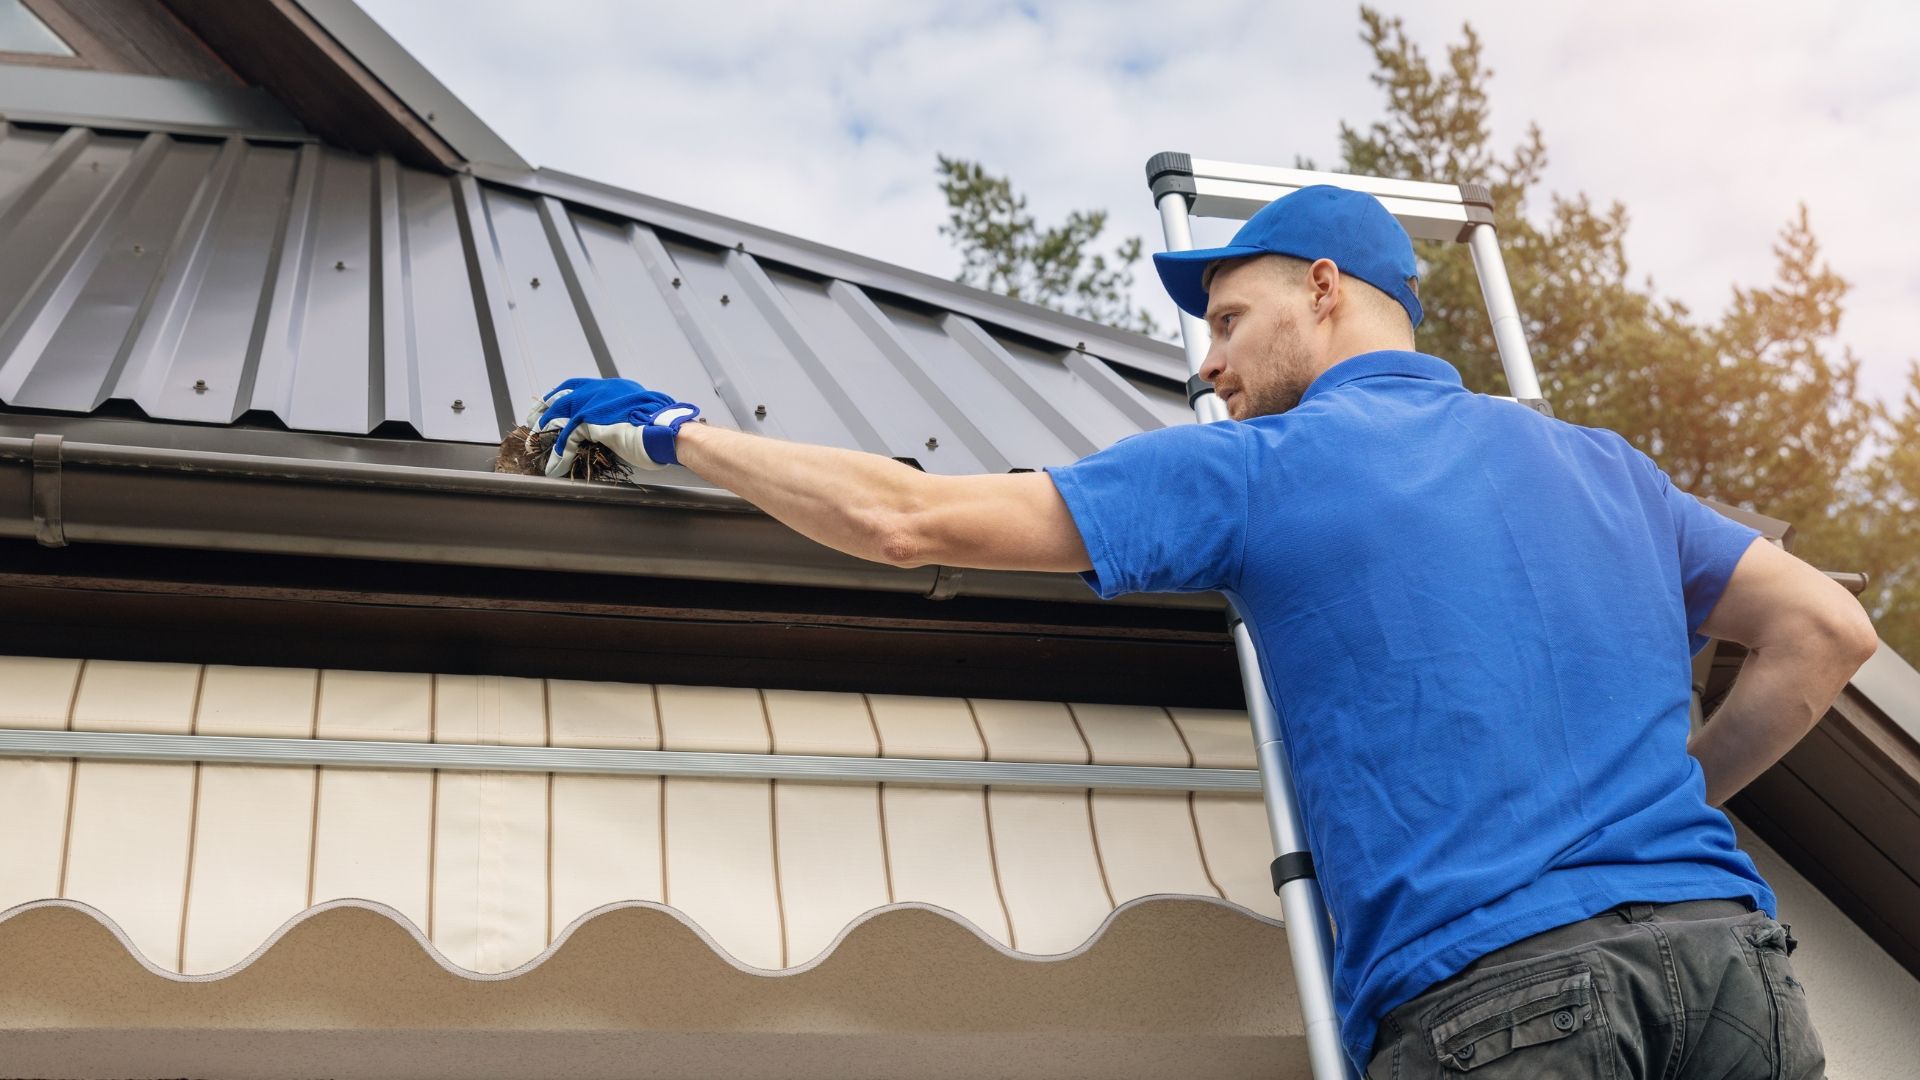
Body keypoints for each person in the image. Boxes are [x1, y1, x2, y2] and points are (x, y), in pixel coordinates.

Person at [528, 184, 1876, 1079]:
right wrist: (1657, 803)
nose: (1209, 363)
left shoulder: (1262, 468)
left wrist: (674, 432)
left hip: (1503, 1003)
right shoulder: (1606, 468)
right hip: (1730, 983)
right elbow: (1824, 630)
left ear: (1329, 290)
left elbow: (906, 520)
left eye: (1231, 319)